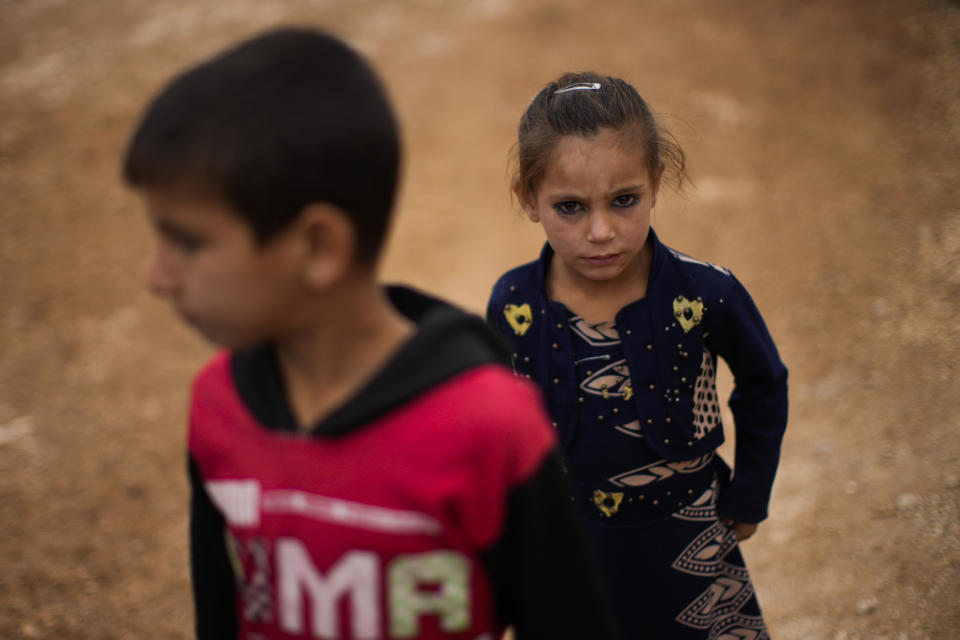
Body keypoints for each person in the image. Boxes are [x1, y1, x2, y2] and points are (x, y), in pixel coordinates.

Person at [123, 31, 619, 640]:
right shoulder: (217, 406)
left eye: (188, 242)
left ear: (318, 246)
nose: (156, 277)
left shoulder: (490, 431)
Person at [486, 71, 789, 639]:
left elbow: (763, 384)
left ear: (655, 181)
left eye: (624, 201)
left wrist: (749, 492)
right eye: (570, 207)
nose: (601, 231)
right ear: (529, 200)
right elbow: (495, 424)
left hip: (688, 533)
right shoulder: (513, 304)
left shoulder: (707, 294)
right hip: (567, 546)